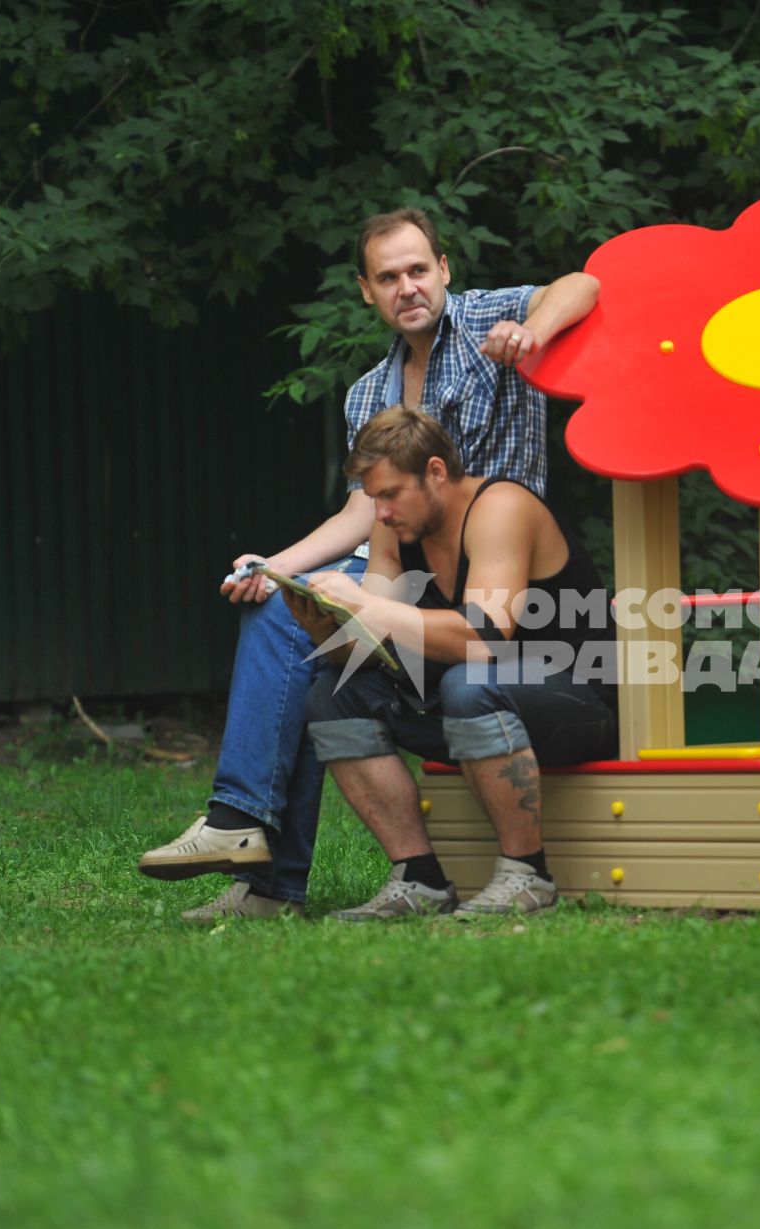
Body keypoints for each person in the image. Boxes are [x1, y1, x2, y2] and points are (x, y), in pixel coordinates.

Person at [138, 208, 599, 920]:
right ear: (366, 290)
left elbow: (583, 285)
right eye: (388, 276)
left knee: (460, 667)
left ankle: (260, 849)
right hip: (421, 570)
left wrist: (533, 332)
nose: (407, 286)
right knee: (296, 634)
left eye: (419, 269)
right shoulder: (368, 396)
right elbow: (368, 511)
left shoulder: (486, 327)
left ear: (444, 268)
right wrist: (278, 568)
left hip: (503, 583)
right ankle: (280, 865)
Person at [285, 406, 618, 921]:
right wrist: (323, 625)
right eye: (374, 498)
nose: (382, 512)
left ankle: (527, 875)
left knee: (470, 681)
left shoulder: (501, 507)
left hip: (580, 702)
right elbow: (371, 648)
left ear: (436, 472)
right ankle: (418, 879)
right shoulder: (393, 527)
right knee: (334, 693)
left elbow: (484, 638)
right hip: (476, 703)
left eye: (391, 494)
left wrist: (367, 606)